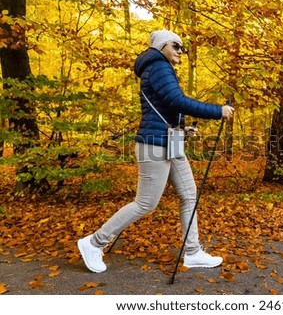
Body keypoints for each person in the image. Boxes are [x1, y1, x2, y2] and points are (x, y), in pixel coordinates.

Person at [77, 29, 234, 273]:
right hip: (154, 144)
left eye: (183, 47)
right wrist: (217, 111)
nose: (181, 51)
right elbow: (177, 100)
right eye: (176, 45)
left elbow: (166, 107)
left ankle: (192, 252)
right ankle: (94, 242)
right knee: (146, 203)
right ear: (162, 46)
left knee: (189, 194)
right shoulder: (159, 67)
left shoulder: (161, 67)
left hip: (169, 141)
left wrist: (182, 129)